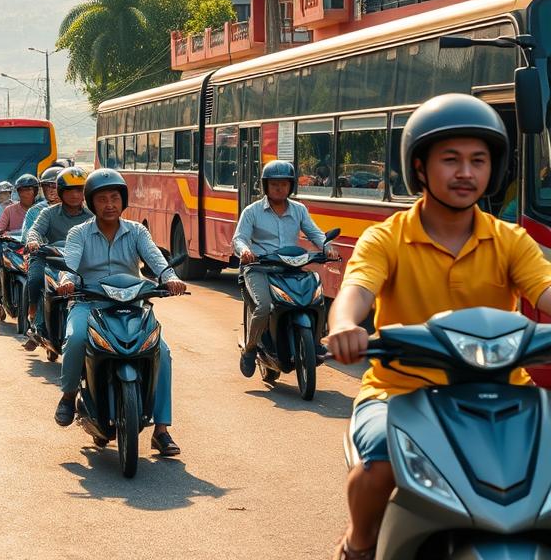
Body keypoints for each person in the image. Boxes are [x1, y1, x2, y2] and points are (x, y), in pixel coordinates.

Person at [324, 94, 551, 560]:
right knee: (381, 462)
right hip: (401, 392)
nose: (466, 173)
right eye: (451, 160)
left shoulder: (511, 240)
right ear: (420, 168)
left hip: (508, 391)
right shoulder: (387, 237)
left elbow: (546, 289)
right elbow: (357, 290)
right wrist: (346, 325)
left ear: (495, 169)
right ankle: (359, 544)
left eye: (478, 160)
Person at [53, 169, 187, 456]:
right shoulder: (79, 233)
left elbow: (155, 258)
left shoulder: (137, 231)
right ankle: (68, 396)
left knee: (162, 352)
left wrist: (169, 277)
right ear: (91, 203)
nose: (110, 204)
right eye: (102, 199)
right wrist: (66, 281)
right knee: (76, 339)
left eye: (115, 197)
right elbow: (71, 262)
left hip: (131, 306)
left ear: (123, 200)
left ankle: (161, 430)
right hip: (89, 304)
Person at [232, 159, 340, 377]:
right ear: (265, 186)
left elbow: (316, 234)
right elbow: (239, 239)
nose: (279, 188)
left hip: (291, 268)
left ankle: (316, 342)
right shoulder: (252, 211)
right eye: (274, 184)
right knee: (263, 307)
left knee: (316, 298)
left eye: (284, 183)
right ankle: (251, 348)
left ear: (291, 186)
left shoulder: (299, 210)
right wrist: (244, 251)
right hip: (259, 268)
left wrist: (327, 248)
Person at [22, 166, 92, 350]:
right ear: (61, 192)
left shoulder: (92, 216)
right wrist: (34, 241)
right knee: (36, 279)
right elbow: (35, 231)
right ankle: (35, 322)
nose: (75, 195)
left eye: (80, 190)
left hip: (78, 262)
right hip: (48, 257)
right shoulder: (48, 213)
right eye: (70, 190)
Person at [0, 174, 39, 304]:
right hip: (12, 245)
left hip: (35, 246)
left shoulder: (41, 209)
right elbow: (0, 227)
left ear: (36, 191)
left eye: (29, 189)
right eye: (22, 190)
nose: (26, 193)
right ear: (18, 192)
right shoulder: (9, 210)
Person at [20, 166, 62, 242]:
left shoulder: (75, 208)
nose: (50, 191)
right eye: (45, 186)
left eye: (54, 186)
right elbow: (26, 238)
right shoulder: (34, 211)